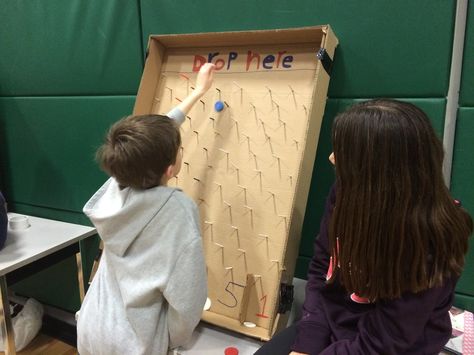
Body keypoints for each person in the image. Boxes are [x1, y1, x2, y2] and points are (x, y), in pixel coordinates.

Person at [255, 99, 473, 355]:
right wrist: (308, 342)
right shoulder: (347, 193)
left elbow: (388, 340)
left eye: (344, 153)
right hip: (335, 324)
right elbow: (320, 269)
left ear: (377, 169)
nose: (332, 158)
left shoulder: (434, 235)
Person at [77, 63, 216, 355]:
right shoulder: (177, 210)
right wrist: (171, 339)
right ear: (170, 168)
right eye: (178, 149)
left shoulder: (116, 184)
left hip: (93, 327)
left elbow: (154, 134)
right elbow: (188, 298)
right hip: (136, 341)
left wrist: (198, 92)